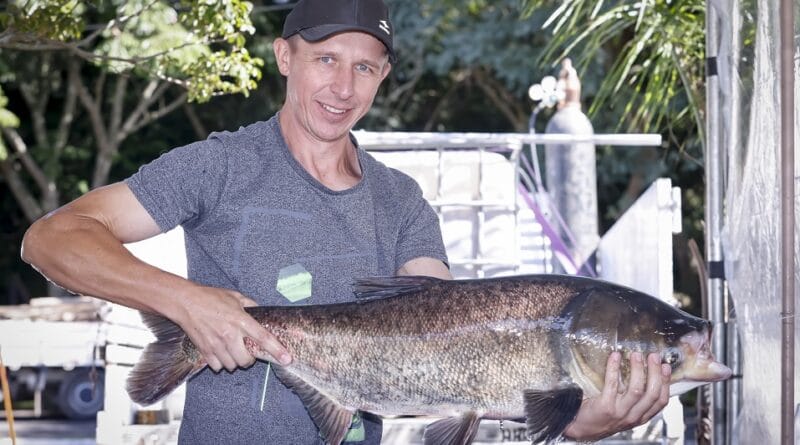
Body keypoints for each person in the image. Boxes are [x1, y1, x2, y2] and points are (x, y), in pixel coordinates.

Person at [21, 0, 670, 443]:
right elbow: (51, 239)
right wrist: (187, 303)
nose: (343, 87)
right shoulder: (216, 166)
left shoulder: (402, 200)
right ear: (284, 56)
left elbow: (448, 351)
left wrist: (570, 416)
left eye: (364, 67)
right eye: (326, 58)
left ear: (383, 75)